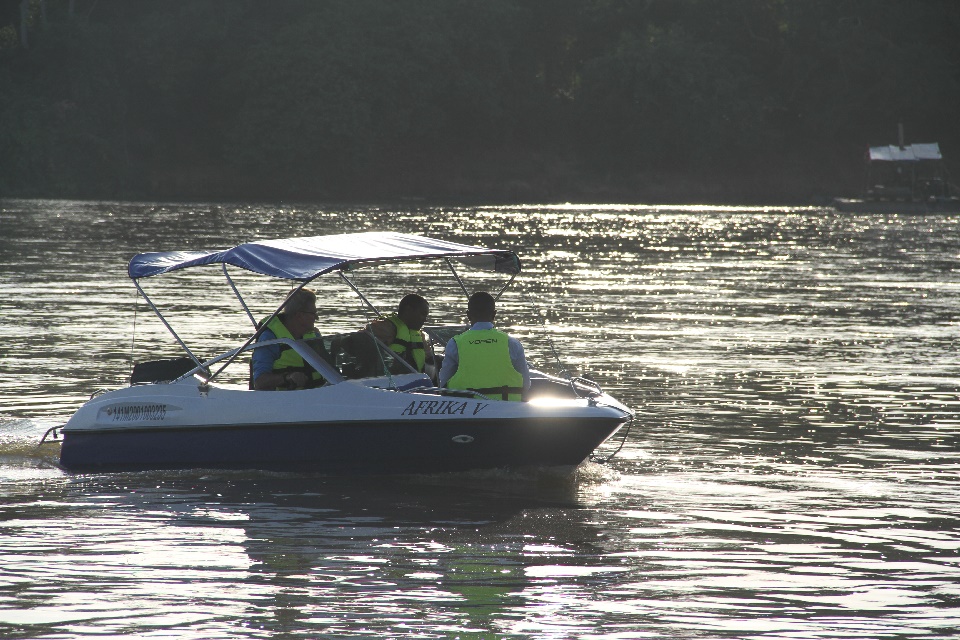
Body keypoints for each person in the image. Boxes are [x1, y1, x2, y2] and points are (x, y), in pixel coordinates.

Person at [439, 291, 530, 401]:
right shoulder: (512, 343)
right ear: (494, 314)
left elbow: (443, 383)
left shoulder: (455, 344)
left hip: (467, 411)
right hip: (507, 409)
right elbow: (526, 384)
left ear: (468, 315)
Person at [252, 287, 327, 390]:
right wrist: (287, 377)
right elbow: (259, 381)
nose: (316, 317)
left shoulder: (315, 335)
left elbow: (329, 364)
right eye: (313, 313)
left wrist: (341, 345)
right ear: (299, 315)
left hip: (320, 395)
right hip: (285, 401)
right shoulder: (270, 338)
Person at [366, 293, 436, 375]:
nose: (425, 320)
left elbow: (430, 358)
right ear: (408, 310)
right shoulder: (384, 328)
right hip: (388, 382)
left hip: (416, 382)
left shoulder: (420, 336)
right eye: (422, 314)